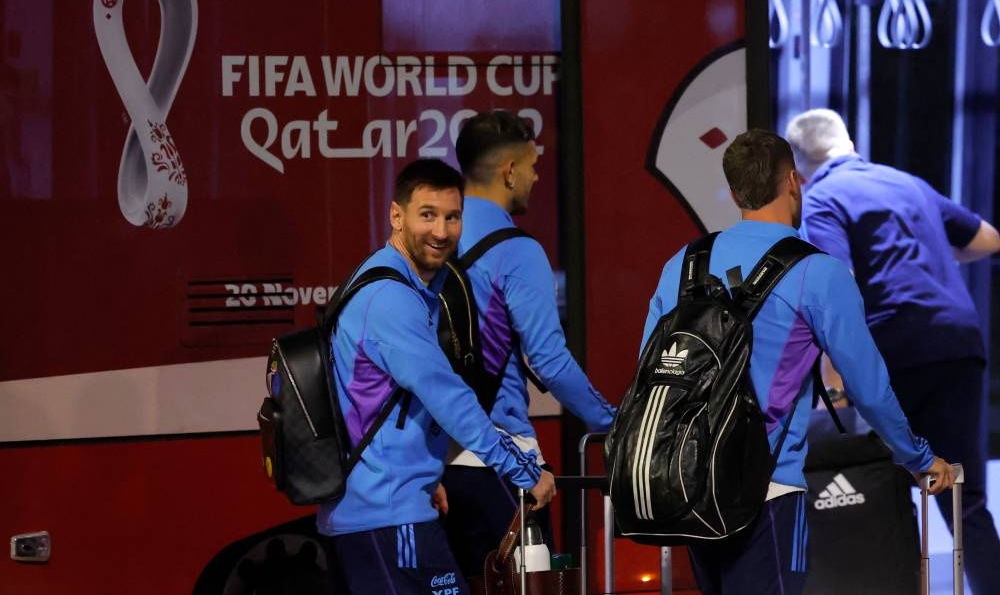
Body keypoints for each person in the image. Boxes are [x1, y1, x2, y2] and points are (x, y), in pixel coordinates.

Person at [641, 129, 953, 594]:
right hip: (769, 491)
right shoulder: (817, 271)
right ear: (792, 181)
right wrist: (918, 458)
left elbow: (648, 368)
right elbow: (869, 387)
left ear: (734, 191)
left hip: (691, 488)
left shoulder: (683, 264)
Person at [785, 108, 1000, 594]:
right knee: (964, 499)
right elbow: (986, 238)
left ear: (797, 168)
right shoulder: (906, 183)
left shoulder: (821, 200)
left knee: (882, 486)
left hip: (895, 350)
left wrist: (834, 379)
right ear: (849, 142)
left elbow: (838, 287)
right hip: (959, 343)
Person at [318, 158, 556, 595]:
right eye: (427, 215)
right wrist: (522, 470)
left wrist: (430, 477)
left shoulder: (394, 281)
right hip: (387, 516)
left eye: (452, 217)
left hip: (389, 507)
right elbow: (450, 399)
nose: (442, 232)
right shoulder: (391, 299)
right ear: (396, 215)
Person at [440, 110, 616, 578]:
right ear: (509, 171)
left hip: (435, 465)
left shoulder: (431, 242)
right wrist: (611, 422)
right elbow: (550, 361)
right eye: (533, 165)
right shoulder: (517, 251)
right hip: (502, 464)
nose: (537, 177)